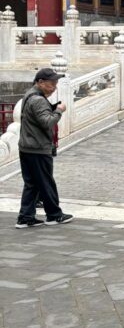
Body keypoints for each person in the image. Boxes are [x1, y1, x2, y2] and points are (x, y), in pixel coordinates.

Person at [16, 67, 73, 228]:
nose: (54, 87)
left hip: (27, 147)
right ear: (40, 82)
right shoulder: (38, 100)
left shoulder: (30, 95)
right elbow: (47, 122)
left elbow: (36, 117)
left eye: (55, 83)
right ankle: (54, 215)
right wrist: (59, 111)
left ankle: (25, 217)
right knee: (46, 183)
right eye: (51, 83)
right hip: (38, 148)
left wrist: (52, 107)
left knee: (32, 184)